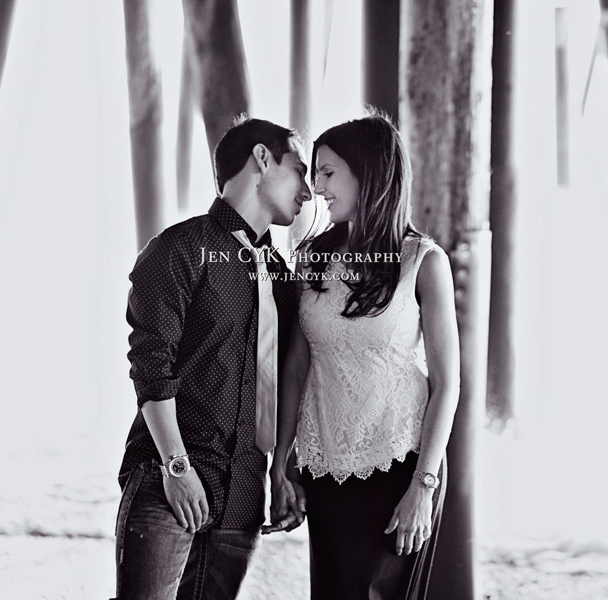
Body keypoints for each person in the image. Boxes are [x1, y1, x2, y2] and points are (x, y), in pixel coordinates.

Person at [113, 116, 311, 600]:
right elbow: (151, 367)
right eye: (300, 170)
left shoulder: (282, 277)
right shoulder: (178, 250)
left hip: (244, 494)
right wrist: (177, 470)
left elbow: (288, 378)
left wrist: (281, 469)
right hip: (168, 485)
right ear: (262, 160)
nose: (308, 191)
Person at [270, 112, 461, 600]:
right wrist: (281, 460)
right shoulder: (312, 257)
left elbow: (448, 384)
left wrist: (424, 486)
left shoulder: (423, 261)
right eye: (315, 174)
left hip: (403, 465)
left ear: (369, 173)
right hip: (326, 465)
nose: (316, 188)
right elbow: (296, 366)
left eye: (328, 173)